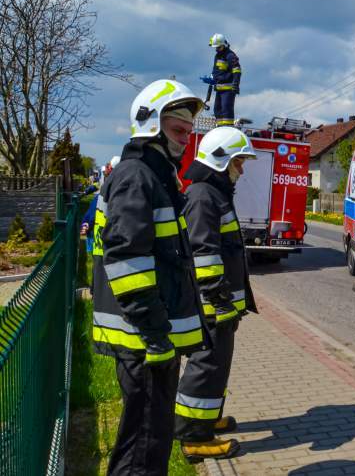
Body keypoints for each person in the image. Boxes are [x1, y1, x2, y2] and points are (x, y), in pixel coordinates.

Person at [91, 79, 208, 476]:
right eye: (178, 131)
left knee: (151, 440)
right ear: (152, 126)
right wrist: (156, 333)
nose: (184, 141)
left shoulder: (153, 178)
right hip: (145, 342)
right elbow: (127, 260)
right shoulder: (137, 177)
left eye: (188, 133)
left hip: (150, 338)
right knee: (142, 447)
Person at [175, 126, 259, 462]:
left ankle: (208, 419)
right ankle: (194, 437)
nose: (242, 168)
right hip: (212, 304)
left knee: (217, 366)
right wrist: (218, 296)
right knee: (206, 366)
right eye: (239, 161)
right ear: (221, 161)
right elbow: (203, 252)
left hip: (221, 304)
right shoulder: (202, 197)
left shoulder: (215, 194)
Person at [201, 33, 241, 127]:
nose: (216, 49)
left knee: (226, 109)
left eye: (218, 47)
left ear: (223, 45)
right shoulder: (217, 56)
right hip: (219, 89)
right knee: (217, 110)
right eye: (216, 47)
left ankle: (227, 128)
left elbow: (237, 70)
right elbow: (216, 71)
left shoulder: (230, 55)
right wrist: (211, 79)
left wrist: (236, 84)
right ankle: (220, 128)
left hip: (228, 89)